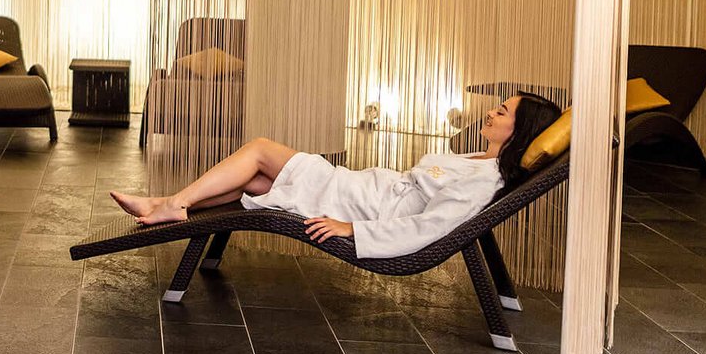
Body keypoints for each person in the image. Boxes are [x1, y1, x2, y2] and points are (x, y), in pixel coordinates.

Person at [110, 93, 562, 259]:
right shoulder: (481, 162)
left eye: (501, 112)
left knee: (260, 151)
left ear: (519, 130)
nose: (490, 111)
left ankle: (171, 203)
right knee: (251, 181)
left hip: (360, 205)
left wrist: (355, 230)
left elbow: (433, 226)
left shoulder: (483, 180)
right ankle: (170, 204)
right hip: (361, 190)